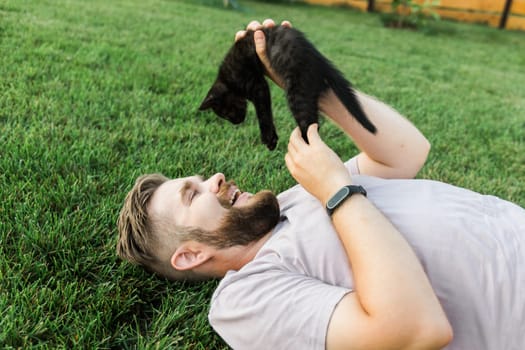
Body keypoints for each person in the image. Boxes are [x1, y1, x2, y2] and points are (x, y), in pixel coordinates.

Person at [117, 19, 525, 350]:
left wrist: (311, 82)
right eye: (194, 194)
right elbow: (416, 330)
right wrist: (337, 190)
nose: (215, 179)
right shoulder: (244, 298)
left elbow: (406, 153)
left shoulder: (296, 199)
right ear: (189, 255)